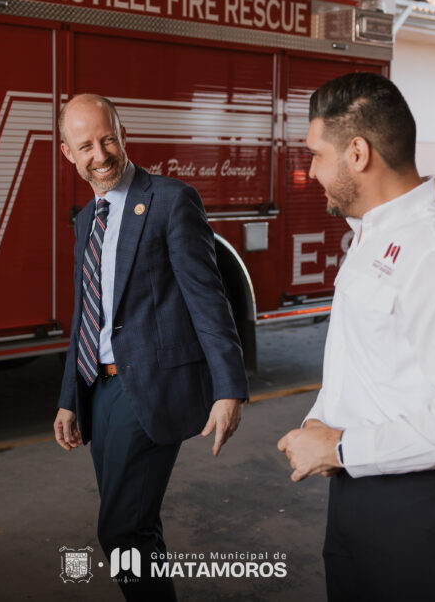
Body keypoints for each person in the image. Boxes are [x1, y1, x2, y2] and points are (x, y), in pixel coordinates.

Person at [277, 73, 435, 602]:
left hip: (434, 511)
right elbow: (370, 355)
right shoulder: (374, 234)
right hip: (368, 491)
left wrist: (340, 447)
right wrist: (325, 417)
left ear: (357, 154)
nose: (309, 169)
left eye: (316, 154)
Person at [52, 94, 249, 601]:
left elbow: (209, 301)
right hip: (101, 390)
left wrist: (229, 389)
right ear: (67, 153)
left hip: (151, 387)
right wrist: (70, 397)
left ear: (123, 132)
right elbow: (84, 314)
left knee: (122, 531)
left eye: (108, 138)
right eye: (86, 146)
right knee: (137, 525)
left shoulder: (170, 199)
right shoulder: (86, 218)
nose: (100, 154)